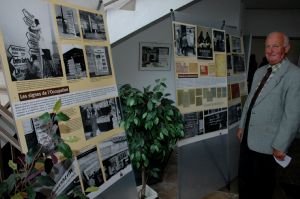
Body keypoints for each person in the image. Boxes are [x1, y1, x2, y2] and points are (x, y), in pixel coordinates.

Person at [237, 32, 300, 199]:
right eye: (267, 46)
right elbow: (250, 101)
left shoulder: (294, 75)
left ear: (286, 49)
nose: (270, 50)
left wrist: (281, 144)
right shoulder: (259, 72)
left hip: (269, 143)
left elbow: (292, 115)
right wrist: (242, 125)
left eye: (275, 46)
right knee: (244, 179)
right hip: (248, 137)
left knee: (262, 186)